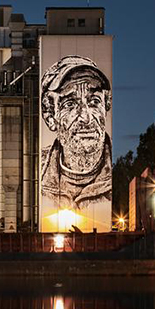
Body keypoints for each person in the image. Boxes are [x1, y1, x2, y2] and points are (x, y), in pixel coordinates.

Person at [40, 55, 112, 209]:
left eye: (94, 102)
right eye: (70, 104)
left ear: (105, 107)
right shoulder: (38, 175)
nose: (86, 118)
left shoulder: (116, 175)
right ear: (50, 116)